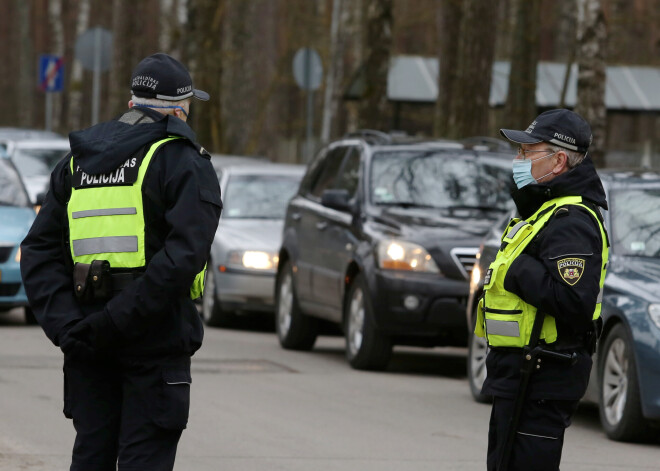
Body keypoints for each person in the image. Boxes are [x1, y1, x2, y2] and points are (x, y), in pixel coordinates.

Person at [20, 53, 222, 471]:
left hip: (88, 343)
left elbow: (38, 251)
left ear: (133, 103)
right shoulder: (182, 160)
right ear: (180, 108)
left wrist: (68, 327)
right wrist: (114, 321)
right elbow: (183, 258)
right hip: (154, 343)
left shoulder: (77, 161)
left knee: (91, 458)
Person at [474, 109, 608, 470]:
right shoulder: (544, 211)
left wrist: (518, 270)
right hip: (518, 374)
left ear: (559, 160)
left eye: (527, 153)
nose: (517, 160)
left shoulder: (572, 221)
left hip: (542, 375)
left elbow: (573, 300)